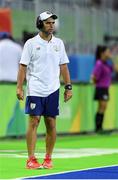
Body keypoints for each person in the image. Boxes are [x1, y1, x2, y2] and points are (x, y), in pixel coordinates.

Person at [16, 11, 72, 169]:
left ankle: (48, 158)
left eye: (53, 23)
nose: (51, 25)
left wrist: (68, 87)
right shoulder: (30, 44)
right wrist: (19, 87)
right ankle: (31, 159)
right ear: (40, 24)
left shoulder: (59, 43)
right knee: (34, 121)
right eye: (48, 23)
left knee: (51, 123)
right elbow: (22, 67)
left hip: (53, 89)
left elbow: (64, 66)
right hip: (35, 89)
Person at [92, 45, 114, 133]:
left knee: (103, 107)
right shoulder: (99, 63)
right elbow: (94, 76)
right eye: (108, 52)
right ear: (102, 53)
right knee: (102, 106)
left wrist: (112, 59)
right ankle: (98, 128)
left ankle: (100, 128)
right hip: (101, 87)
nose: (109, 54)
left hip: (105, 88)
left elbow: (116, 69)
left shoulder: (107, 64)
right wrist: (96, 84)